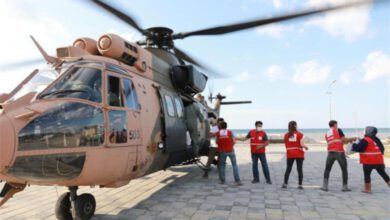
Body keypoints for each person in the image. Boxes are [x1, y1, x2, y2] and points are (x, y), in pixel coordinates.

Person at [321, 120, 357, 192]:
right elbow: (343, 139)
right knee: (344, 169)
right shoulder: (338, 130)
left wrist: (346, 141)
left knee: (327, 169)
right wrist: (352, 139)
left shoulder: (326, 133)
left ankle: (325, 187)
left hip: (330, 152)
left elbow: (336, 141)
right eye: (337, 124)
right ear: (335, 124)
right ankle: (344, 187)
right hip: (339, 152)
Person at [352, 126, 390, 193]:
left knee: (367, 175)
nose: (363, 131)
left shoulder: (365, 139)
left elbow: (359, 148)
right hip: (379, 161)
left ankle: (368, 189)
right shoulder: (377, 139)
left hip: (368, 161)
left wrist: (354, 144)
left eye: (364, 130)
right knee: (384, 174)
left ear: (368, 131)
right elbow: (382, 149)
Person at [282, 121, 308, 189]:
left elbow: (286, 145)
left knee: (288, 169)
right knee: (299, 169)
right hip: (299, 154)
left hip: (290, 154)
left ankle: (285, 184)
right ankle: (300, 185)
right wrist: (306, 147)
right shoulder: (300, 134)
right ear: (295, 126)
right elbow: (302, 145)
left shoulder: (286, 135)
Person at [216, 121, 242, 185]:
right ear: (226, 126)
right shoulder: (230, 132)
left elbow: (217, 142)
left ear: (220, 126)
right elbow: (234, 141)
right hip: (230, 150)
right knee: (234, 165)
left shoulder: (218, 133)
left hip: (222, 151)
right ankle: (237, 180)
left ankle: (222, 180)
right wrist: (231, 146)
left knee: (222, 165)